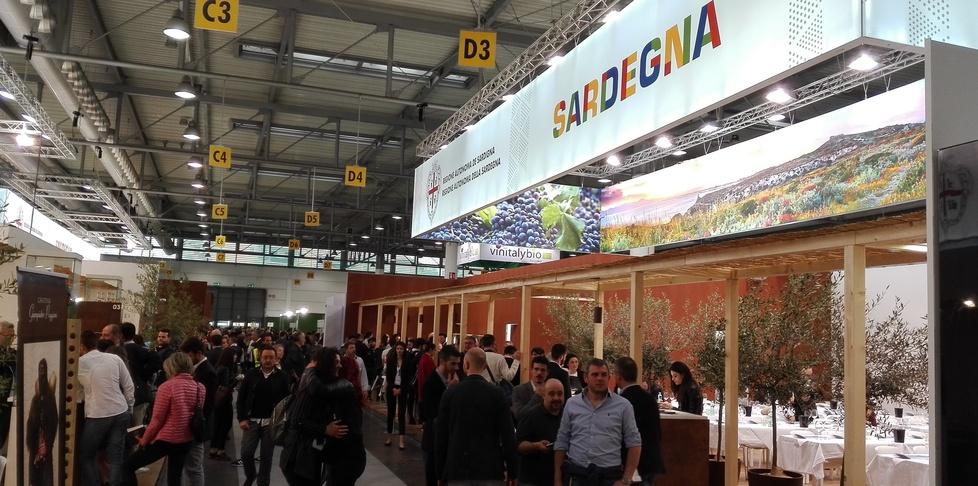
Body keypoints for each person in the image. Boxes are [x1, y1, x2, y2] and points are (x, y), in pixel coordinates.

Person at [281, 348, 366, 486]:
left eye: (340, 362)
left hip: (338, 457)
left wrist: (309, 371)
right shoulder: (313, 392)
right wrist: (324, 429)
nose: (339, 365)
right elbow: (297, 420)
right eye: (336, 362)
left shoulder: (339, 389)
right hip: (300, 459)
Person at [435, 348, 518, 485]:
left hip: (458, 468)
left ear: (465, 364)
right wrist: (512, 471)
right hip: (490, 468)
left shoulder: (451, 393)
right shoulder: (497, 394)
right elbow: (508, 435)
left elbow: (441, 436)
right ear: (485, 366)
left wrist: (440, 472)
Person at [555, 358, 641, 486]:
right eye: (595, 374)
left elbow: (634, 443)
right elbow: (562, 441)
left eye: (603, 374)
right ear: (586, 378)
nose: (599, 378)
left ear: (609, 377)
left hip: (609, 477)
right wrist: (557, 480)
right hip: (577, 476)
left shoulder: (623, 406)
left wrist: (626, 480)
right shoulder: (572, 404)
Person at [124, 352, 204, 486]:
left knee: (128, 466)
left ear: (171, 367)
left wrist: (145, 440)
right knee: (174, 476)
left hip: (166, 439)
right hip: (186, 438)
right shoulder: (200, 387)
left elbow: (157, 419)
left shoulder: (166, 387)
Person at [78, 330, 134, 486]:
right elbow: (128, 385)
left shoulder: (79, 363)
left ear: (81, 346)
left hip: (98, 414)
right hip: (121, 411)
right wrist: (129, 408)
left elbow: (77, 395)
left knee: (86, 456)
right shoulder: (114, 358)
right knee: (115, 457)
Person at [236, 346, 291, 486]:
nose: (268, 360)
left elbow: (287, 401)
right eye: (265, 357)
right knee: (246, 453)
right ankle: (251, 474)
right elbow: (241, 398)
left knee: (266, 457)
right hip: (251, 421)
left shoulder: (283, 376)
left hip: (271, 423)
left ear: (276, 359)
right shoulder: (251, 374)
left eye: (271, 357)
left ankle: (263, 483)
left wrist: (283, 421)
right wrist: (242, 418)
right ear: (260, 358)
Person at [616, 357, 665, 485]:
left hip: (634, 464)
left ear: (618, 376)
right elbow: (658, 432)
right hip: (652, 459)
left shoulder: (622, 401)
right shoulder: (650, 399)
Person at [179, 337, 219, 486]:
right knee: (188, 465)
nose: (186, 359)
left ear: (198, 353)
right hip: (192, 425)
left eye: (188, 355)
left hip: (197, 426)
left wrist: (196, 425)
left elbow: (207, 405)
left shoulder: (208, 372)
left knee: (194, 467)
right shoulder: (197, 369)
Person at [421, 345, 460, 486]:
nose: (456, 367)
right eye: (453, 363)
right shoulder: (431, 384)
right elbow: (431, 415)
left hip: (448, 443)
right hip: (433, 443)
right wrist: (450, 391)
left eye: (458, 364)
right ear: (442, 361)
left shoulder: (454, 380)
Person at [516, 379, 565, 486]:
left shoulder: (567, 416)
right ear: (544, 395)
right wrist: (536, 446)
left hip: (558, 480)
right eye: (552, 394)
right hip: (531, 480)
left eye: (560, 394)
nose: (556, 398)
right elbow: (518, 445)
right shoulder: (531, 416)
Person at [26, 358, 58, 486]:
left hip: (44, 443)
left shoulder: (50, 398)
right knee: (35, 476)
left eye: (43, 368)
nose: (42, 371)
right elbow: (32, 421)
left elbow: (53, 421)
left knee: (45, 475)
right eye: (40, 368)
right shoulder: (36, 399)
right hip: (35, 442)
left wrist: (46, 443)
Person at [121, 323, 159, 426]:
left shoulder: (120, 351)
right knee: (137, 428)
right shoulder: (144, 350)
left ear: (121, 335)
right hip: (141, 394)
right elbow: (155, 363)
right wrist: (143, 377)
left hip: (127, 396)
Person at [384, 341, 413, 449]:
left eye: (401, 349)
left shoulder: (407, 362)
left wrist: (401, 389)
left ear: (404, 350)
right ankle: (389, 437)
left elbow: (408, 378)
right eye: (398, 349)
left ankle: (401, 439)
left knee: (401, 414)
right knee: (390, 413)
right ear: (395, 349)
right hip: (392, 387)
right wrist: (393, 388)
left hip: (403, 389)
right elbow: (388, 376)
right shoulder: (391, 361)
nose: (399, 351)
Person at [210, 347, 236, 459]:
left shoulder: (218, 367)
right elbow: (226, 387)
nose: (235, 357)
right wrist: (236, 381)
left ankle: (213, 448)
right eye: (234, 355)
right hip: (224, 402)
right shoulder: (226, 369)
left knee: (217, 424)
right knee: (225, 424)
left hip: (217, 401)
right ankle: (220, 450)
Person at [511, 356, 549, 423]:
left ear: (547, 373)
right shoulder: (518, 390)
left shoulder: (551, 390)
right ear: (531, 370)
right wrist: (537, 396)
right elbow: (519, 416)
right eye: (536, 369)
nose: (539, 373)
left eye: (543, 370)